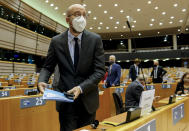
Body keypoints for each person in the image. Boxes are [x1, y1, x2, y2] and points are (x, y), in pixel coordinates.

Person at [37, 4, 105, 131]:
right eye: (77, 14)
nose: (82, 18)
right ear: (67, 19)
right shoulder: (56, 41)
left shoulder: (95, 40)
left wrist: (81, 88)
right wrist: (42, 80)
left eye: (84, 15)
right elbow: (48, 67)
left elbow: (100, 70)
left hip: (88, 101)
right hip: (65, 101)